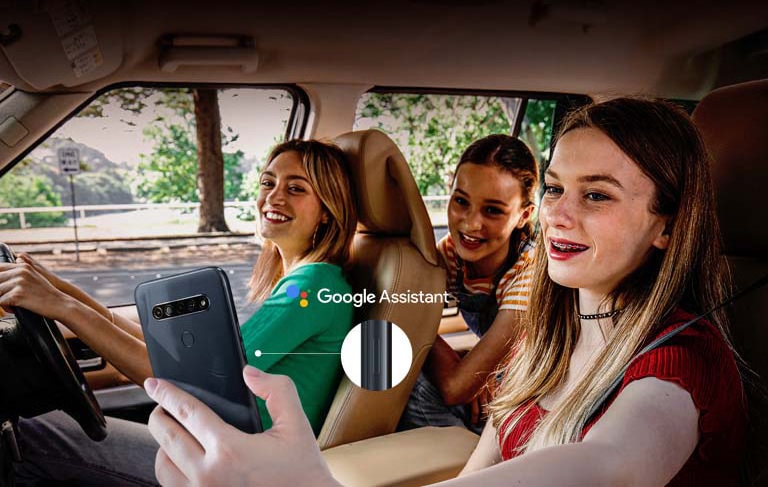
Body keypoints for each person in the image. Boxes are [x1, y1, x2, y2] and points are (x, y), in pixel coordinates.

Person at [145, 98, 747, 486]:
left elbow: (609, 466)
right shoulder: (549, 339)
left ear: (668, 224)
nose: (559, 214)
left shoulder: (679, 361)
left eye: (597, 195)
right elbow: (484, 465)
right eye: (556, 189)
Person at [0, 138, 357, 485]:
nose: (274, 196)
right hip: (213, 443)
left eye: (296, 189)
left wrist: (62, 305)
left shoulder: (314, 285)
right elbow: (182, 363)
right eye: (268, 182)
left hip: (233, 461)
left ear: (327, 211)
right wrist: (60, 289)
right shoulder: (307, 281)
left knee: (30, 437)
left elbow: (196, 384)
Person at [400, 135, 537, 433]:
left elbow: (454, 387)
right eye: (461, 201)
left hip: (536, 395)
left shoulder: (529, 273)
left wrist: (472, 373)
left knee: (418, 388)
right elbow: (411, 317)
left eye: (493, 210)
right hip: (503, 378)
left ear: (523, 215)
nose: (471, 224)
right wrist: (478, 369)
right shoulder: (451, 254)